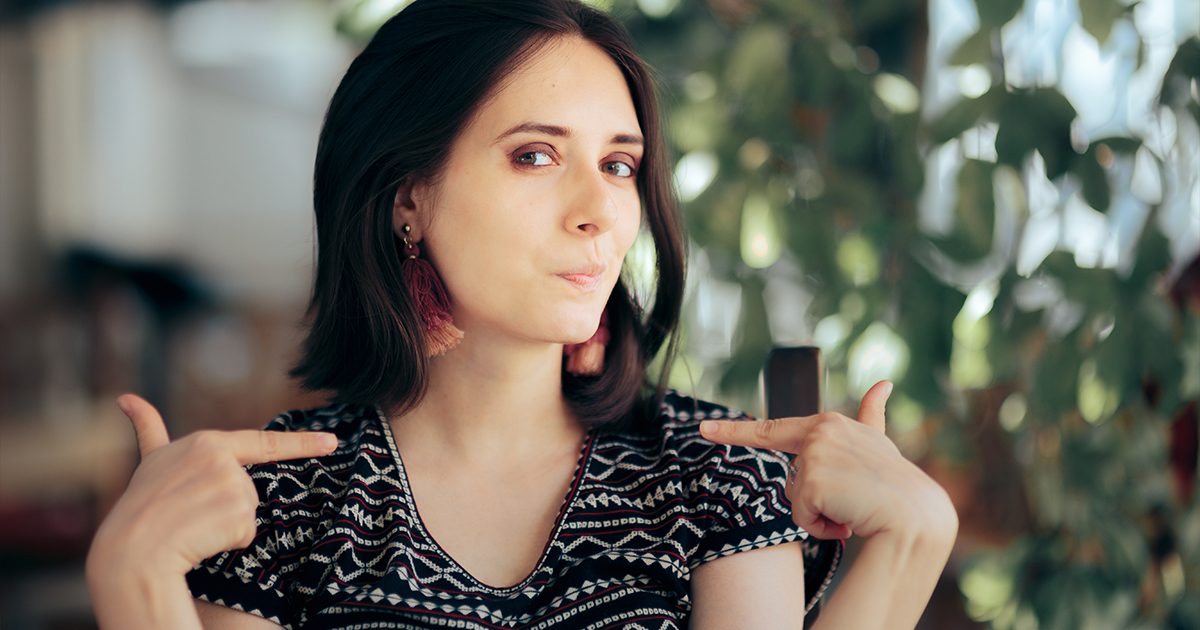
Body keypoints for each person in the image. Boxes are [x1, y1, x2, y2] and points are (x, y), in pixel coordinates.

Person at [85, 0, 959, 628]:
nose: (600, 211)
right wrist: (135, 579)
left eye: (619, 165)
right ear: (408, 197)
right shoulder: (282, 504)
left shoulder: (714, 477)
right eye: (536, 155)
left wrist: (912, 544)